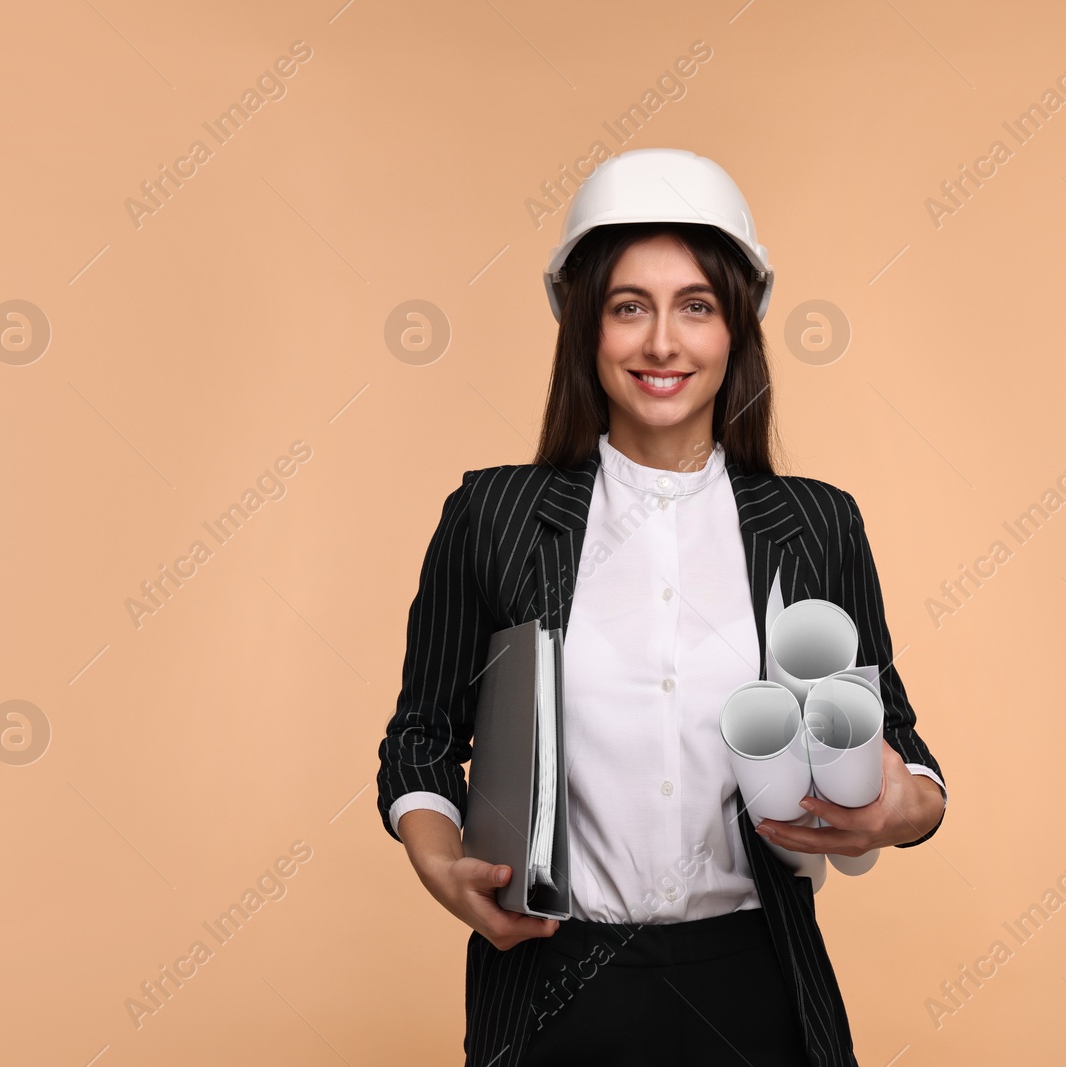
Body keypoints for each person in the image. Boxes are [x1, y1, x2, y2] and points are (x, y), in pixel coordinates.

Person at [376, 148, 947, 1067]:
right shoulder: (494, 516)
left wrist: (897, 811)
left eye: (696, 306)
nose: (661, 344)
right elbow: (420, 738)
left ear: (737, 328)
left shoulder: (816, 524)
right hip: (555, 982)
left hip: (757, 977)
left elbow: (906, 755)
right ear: (586, 327)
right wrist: (441, 863)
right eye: (628, 306)